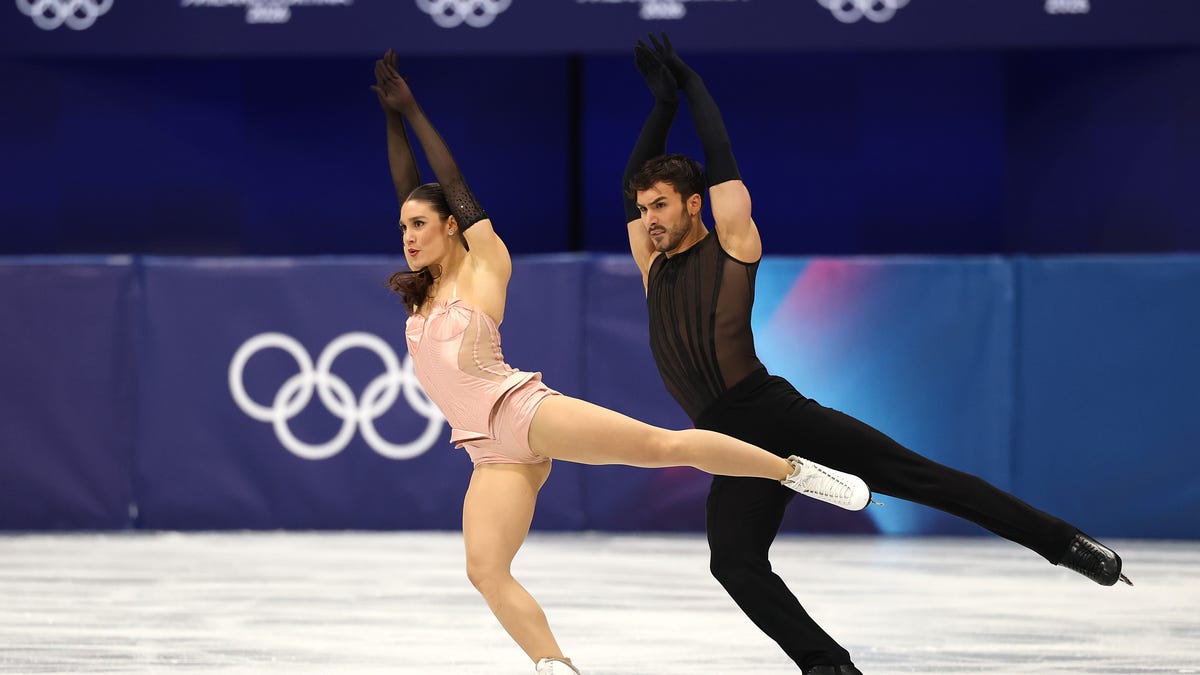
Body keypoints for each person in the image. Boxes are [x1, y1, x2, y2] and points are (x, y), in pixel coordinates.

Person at [620, 34, 1131, 675]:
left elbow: (720, 161)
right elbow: (630, 185)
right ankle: (828, 666)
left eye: (660, 205)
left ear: (695, 205)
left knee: (920, 478)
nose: (648, 218)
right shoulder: (651, 262)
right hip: (725, 440)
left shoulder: (732, 242)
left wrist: (691, 89)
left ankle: (1067, 544)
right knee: (734, 563)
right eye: (643, 209)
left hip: (771, 412)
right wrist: (659, 104)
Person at [368, 50, 873, 675]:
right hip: (485, 447)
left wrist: (411, 110)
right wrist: (389, 119)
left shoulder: (481, 264)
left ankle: (792, 471)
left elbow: (450, 182)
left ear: (454, 225)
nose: (409, 236)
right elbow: (406, 185)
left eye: (420, 224)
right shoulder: (427, 286)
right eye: (402, 228)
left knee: (667, 447)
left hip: (521, 412)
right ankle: (554, 665)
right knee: (484, 569)